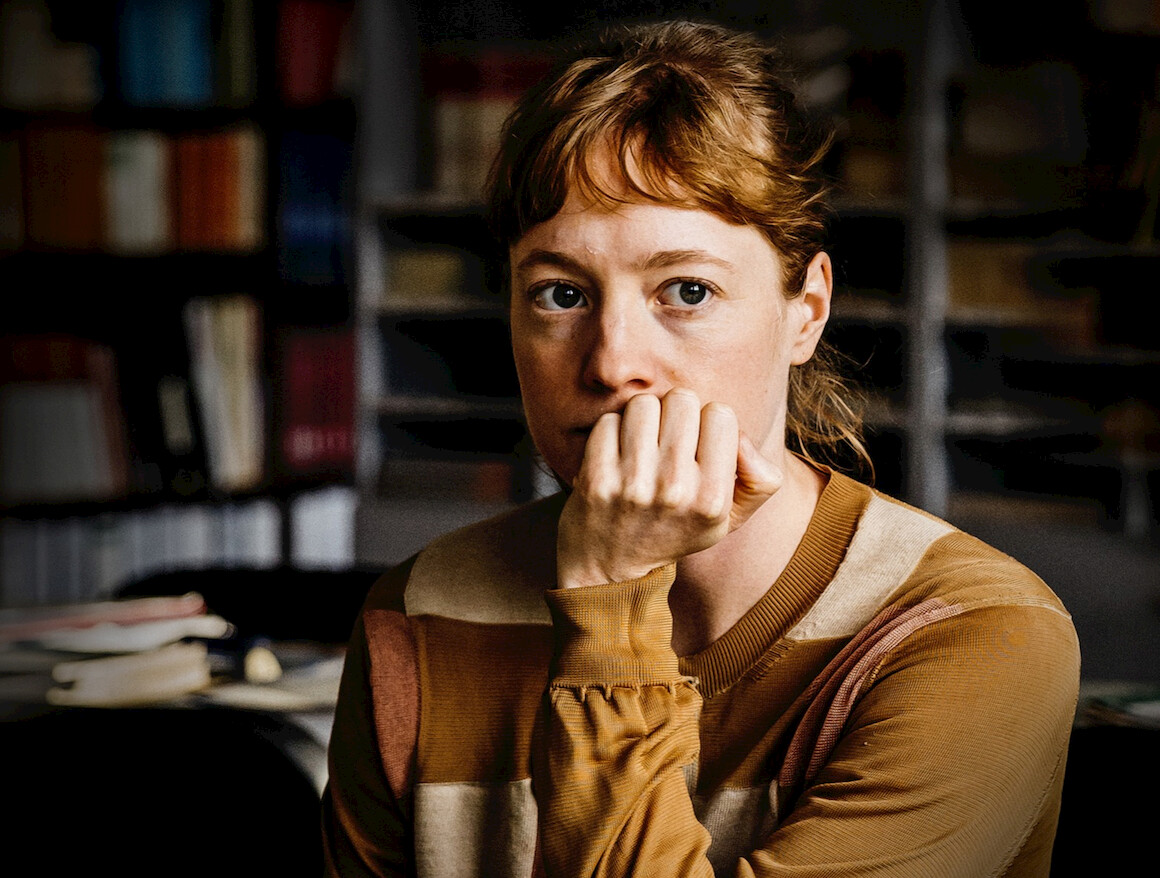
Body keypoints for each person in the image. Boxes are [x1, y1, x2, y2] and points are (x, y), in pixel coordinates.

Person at [321, 19, 1080, 878]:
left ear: (807, 311)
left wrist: (610, 595)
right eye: (560, 294)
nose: (613, 363)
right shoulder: (418, 615)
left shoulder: (977, 634)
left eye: (687, 290)